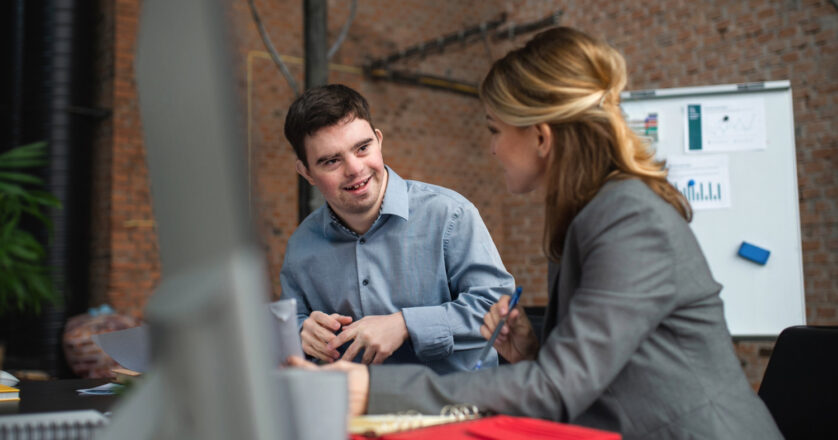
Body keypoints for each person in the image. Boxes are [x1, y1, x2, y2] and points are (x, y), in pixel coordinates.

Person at [289, 27, 783, 439]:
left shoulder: (629, 220)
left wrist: (372, 391)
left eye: (495, 130)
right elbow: (596, 370)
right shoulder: (587, 216)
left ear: (541, 138)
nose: (493, 150)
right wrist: (530, 350)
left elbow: (558, 389)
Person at [280, 84, 515, 374]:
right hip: (356, 414)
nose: (354, 169)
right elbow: (291, 326)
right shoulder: (301, 247)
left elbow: (498, 310)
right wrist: (301, 332)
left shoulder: (449, 215)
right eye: (331, 161)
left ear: (379, 141)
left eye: (362, 148)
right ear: (306, 172)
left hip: (455, 407)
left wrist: (405, 325)